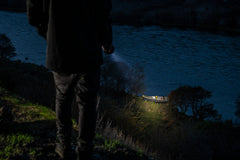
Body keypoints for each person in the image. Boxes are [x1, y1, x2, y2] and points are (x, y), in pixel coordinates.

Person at [26, 0, 114, 159]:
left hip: (60, 48)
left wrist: (49, 33)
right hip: (89, 48)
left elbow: (33, 13)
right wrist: (106, 41)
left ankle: (63, 146)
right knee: (87, 102)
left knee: (63, 97)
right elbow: (103, 11)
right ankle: (85, 150)